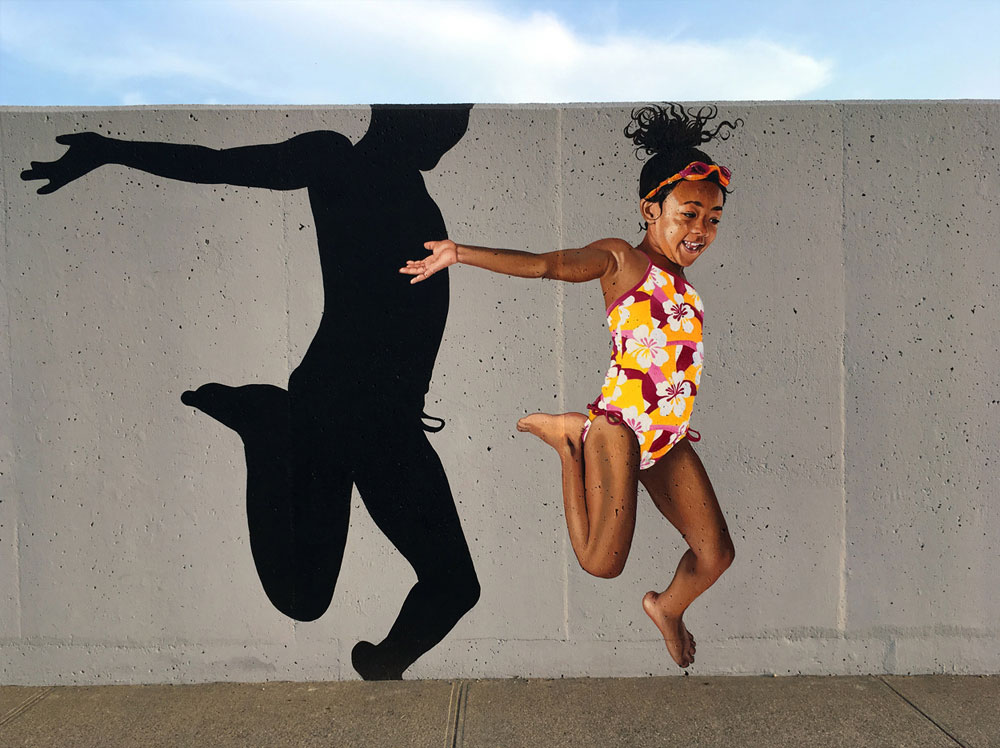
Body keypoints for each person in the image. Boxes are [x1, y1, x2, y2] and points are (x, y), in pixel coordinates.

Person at [21, 105, 481, 680]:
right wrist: (114, 148)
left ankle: (380, 663)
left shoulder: (408, 185)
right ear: (406, 111)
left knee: (328, 596)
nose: (459, 129)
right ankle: (268, 427)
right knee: (423, 586)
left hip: (377, 416)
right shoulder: (334, 157)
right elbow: (216, 164)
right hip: (343, 408)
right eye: (454, 113)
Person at [402, 103, 741, 669]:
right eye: (688, 214)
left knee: (715, 555)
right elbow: (544, 265)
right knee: (601, 563)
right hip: (620, 431)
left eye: (712, 219)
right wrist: (460, 253)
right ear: (649, 210)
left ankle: (667, 608)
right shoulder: (620, 260)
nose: (701, 230)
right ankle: (568, 441)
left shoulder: (684, 285)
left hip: (667, 437)